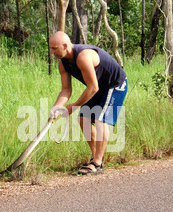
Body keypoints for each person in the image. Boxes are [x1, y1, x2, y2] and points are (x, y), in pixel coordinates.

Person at [49, 31, 128, 175]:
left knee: (99, 120)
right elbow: (66, 90)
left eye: (54, 48)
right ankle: (97, 158)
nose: (52, 52)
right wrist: (56, 107)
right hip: (98, 87)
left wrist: (74, 106)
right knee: (83, 118)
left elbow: (93, 87)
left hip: (115, 85)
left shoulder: (83, 57)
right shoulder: (63, 63)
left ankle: (97, 163)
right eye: (51, 48)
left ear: (65, 45)